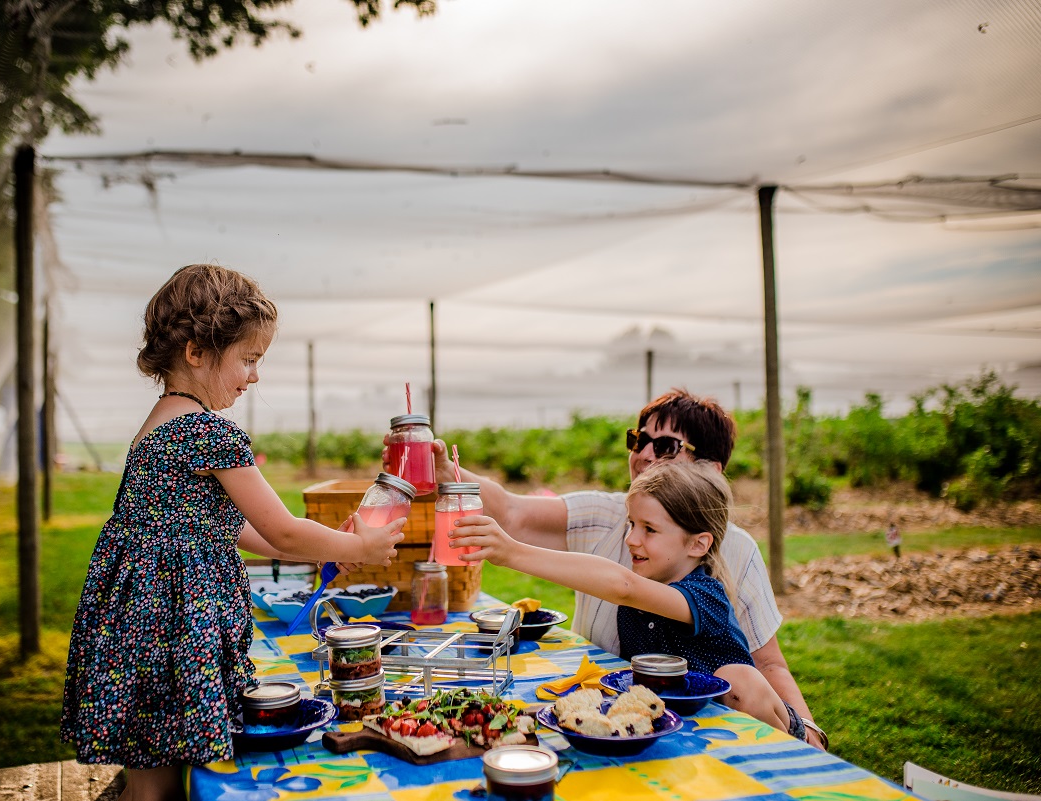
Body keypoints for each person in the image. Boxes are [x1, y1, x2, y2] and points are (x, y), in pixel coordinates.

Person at [61, 264, 405, 801]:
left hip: (137, 624)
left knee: (152, 774)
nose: (255, 376)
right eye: (248, 359)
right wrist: (358, 545)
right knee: (158, 788)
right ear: (196, 352)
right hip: (172, 628)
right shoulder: (209, 433)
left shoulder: (157, 424)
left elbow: (235, 529)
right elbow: (284, 530)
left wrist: (327, 550)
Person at [388, 388, 827, 750]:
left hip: (729, 720)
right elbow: (513, 511)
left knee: (739, 678)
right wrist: (449, 472)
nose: (643, 454)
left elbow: (623, 587)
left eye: (667, 446)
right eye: (639, 440)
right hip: (655, 722)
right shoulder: (611, 513)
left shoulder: (718, 574)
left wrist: (809, 737)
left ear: (711, 471)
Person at [452, 461, 794, 735]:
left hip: (746, 721)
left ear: (697, 544)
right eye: (631, 524)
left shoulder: (706, 597)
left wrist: (512, 552)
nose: (631, 539)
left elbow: (623, 586)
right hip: (682, 729)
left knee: (741, 679)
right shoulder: (635, 607)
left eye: (649, 529)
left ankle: (791, 762)